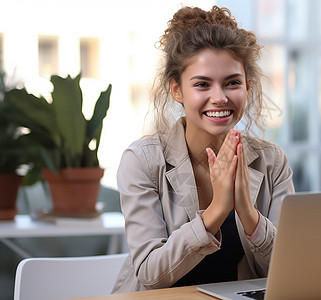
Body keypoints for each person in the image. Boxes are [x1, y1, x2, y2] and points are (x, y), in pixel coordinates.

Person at [112, 5, 295, 293]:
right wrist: (217, 211)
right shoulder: (143, 162)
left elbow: (289, 268)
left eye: (232, 83)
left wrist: (248, 213)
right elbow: (151, 273)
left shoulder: (271, 162)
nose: (219, 97)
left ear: (247, 87)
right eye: (202, 84)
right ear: (177, 90)